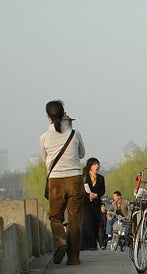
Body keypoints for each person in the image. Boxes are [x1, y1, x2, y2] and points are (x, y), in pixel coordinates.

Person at [40, 100, 86, 265]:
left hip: (56, 182)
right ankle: (74, 258)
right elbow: (82, 154)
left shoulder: (44, 138)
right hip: (75, 179)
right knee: (75, 219)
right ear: (63, 113)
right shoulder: (74, 134)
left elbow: (47, 160)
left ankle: (60, 242)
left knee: (55, 217)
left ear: (48, 116)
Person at [81, 157, 105, 251]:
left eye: (97, 164)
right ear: (90, 166)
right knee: (88, 222)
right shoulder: (83, 177)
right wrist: (88, 195)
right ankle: (88, 244)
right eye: (94, 164)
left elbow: (103, 190)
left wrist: (97, 195)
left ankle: (93, 244)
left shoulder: (101, 178)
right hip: (86, 204)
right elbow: (80, 190)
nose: (97, 166)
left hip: (96, 203)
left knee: (96, 222)